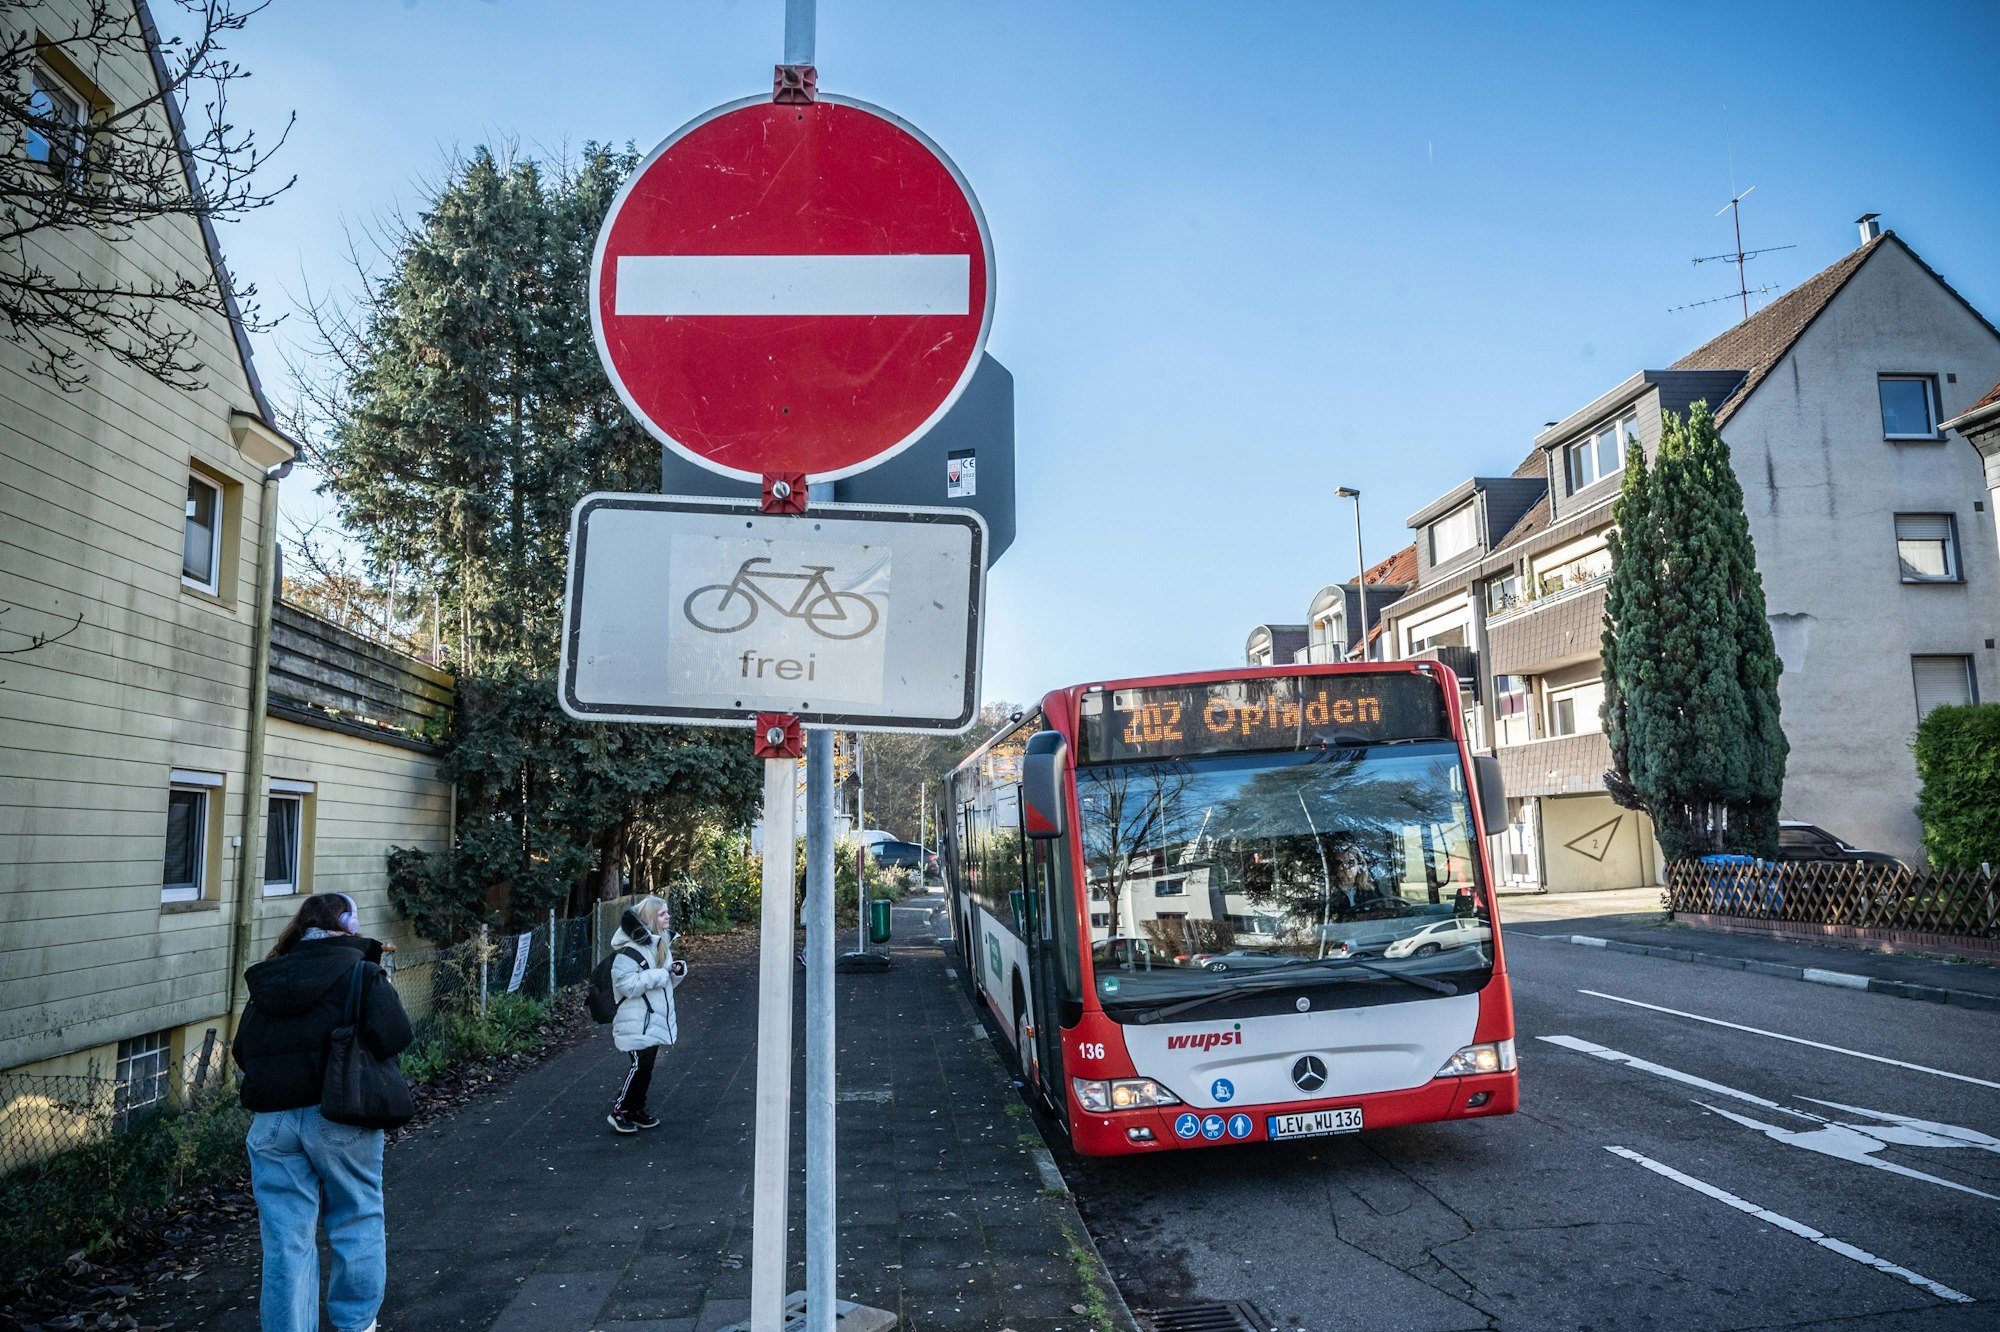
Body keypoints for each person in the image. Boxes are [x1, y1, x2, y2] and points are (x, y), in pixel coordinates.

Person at [233, 892, 412, 1332]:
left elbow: (242, 1050)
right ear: (348, 925)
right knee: (356, 1219)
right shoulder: (362, 973)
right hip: (340, 1116)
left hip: (272, 1124)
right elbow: (395, 1035)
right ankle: (356, 1324)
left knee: (285, 1241)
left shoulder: (270, 978)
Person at [608, 895, 687, 1134]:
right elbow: (625, 984)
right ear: (652, 918)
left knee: (646, 1065)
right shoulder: (630, 950)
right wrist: (662, 974)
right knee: (640, 1065)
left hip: (650, 1018)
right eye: (662, 914)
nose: (668, 917)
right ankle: (620, 1110)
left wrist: (675, 972)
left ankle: (635, 1109)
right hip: (635, 1019)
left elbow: (663, 983)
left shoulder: (660, 944)